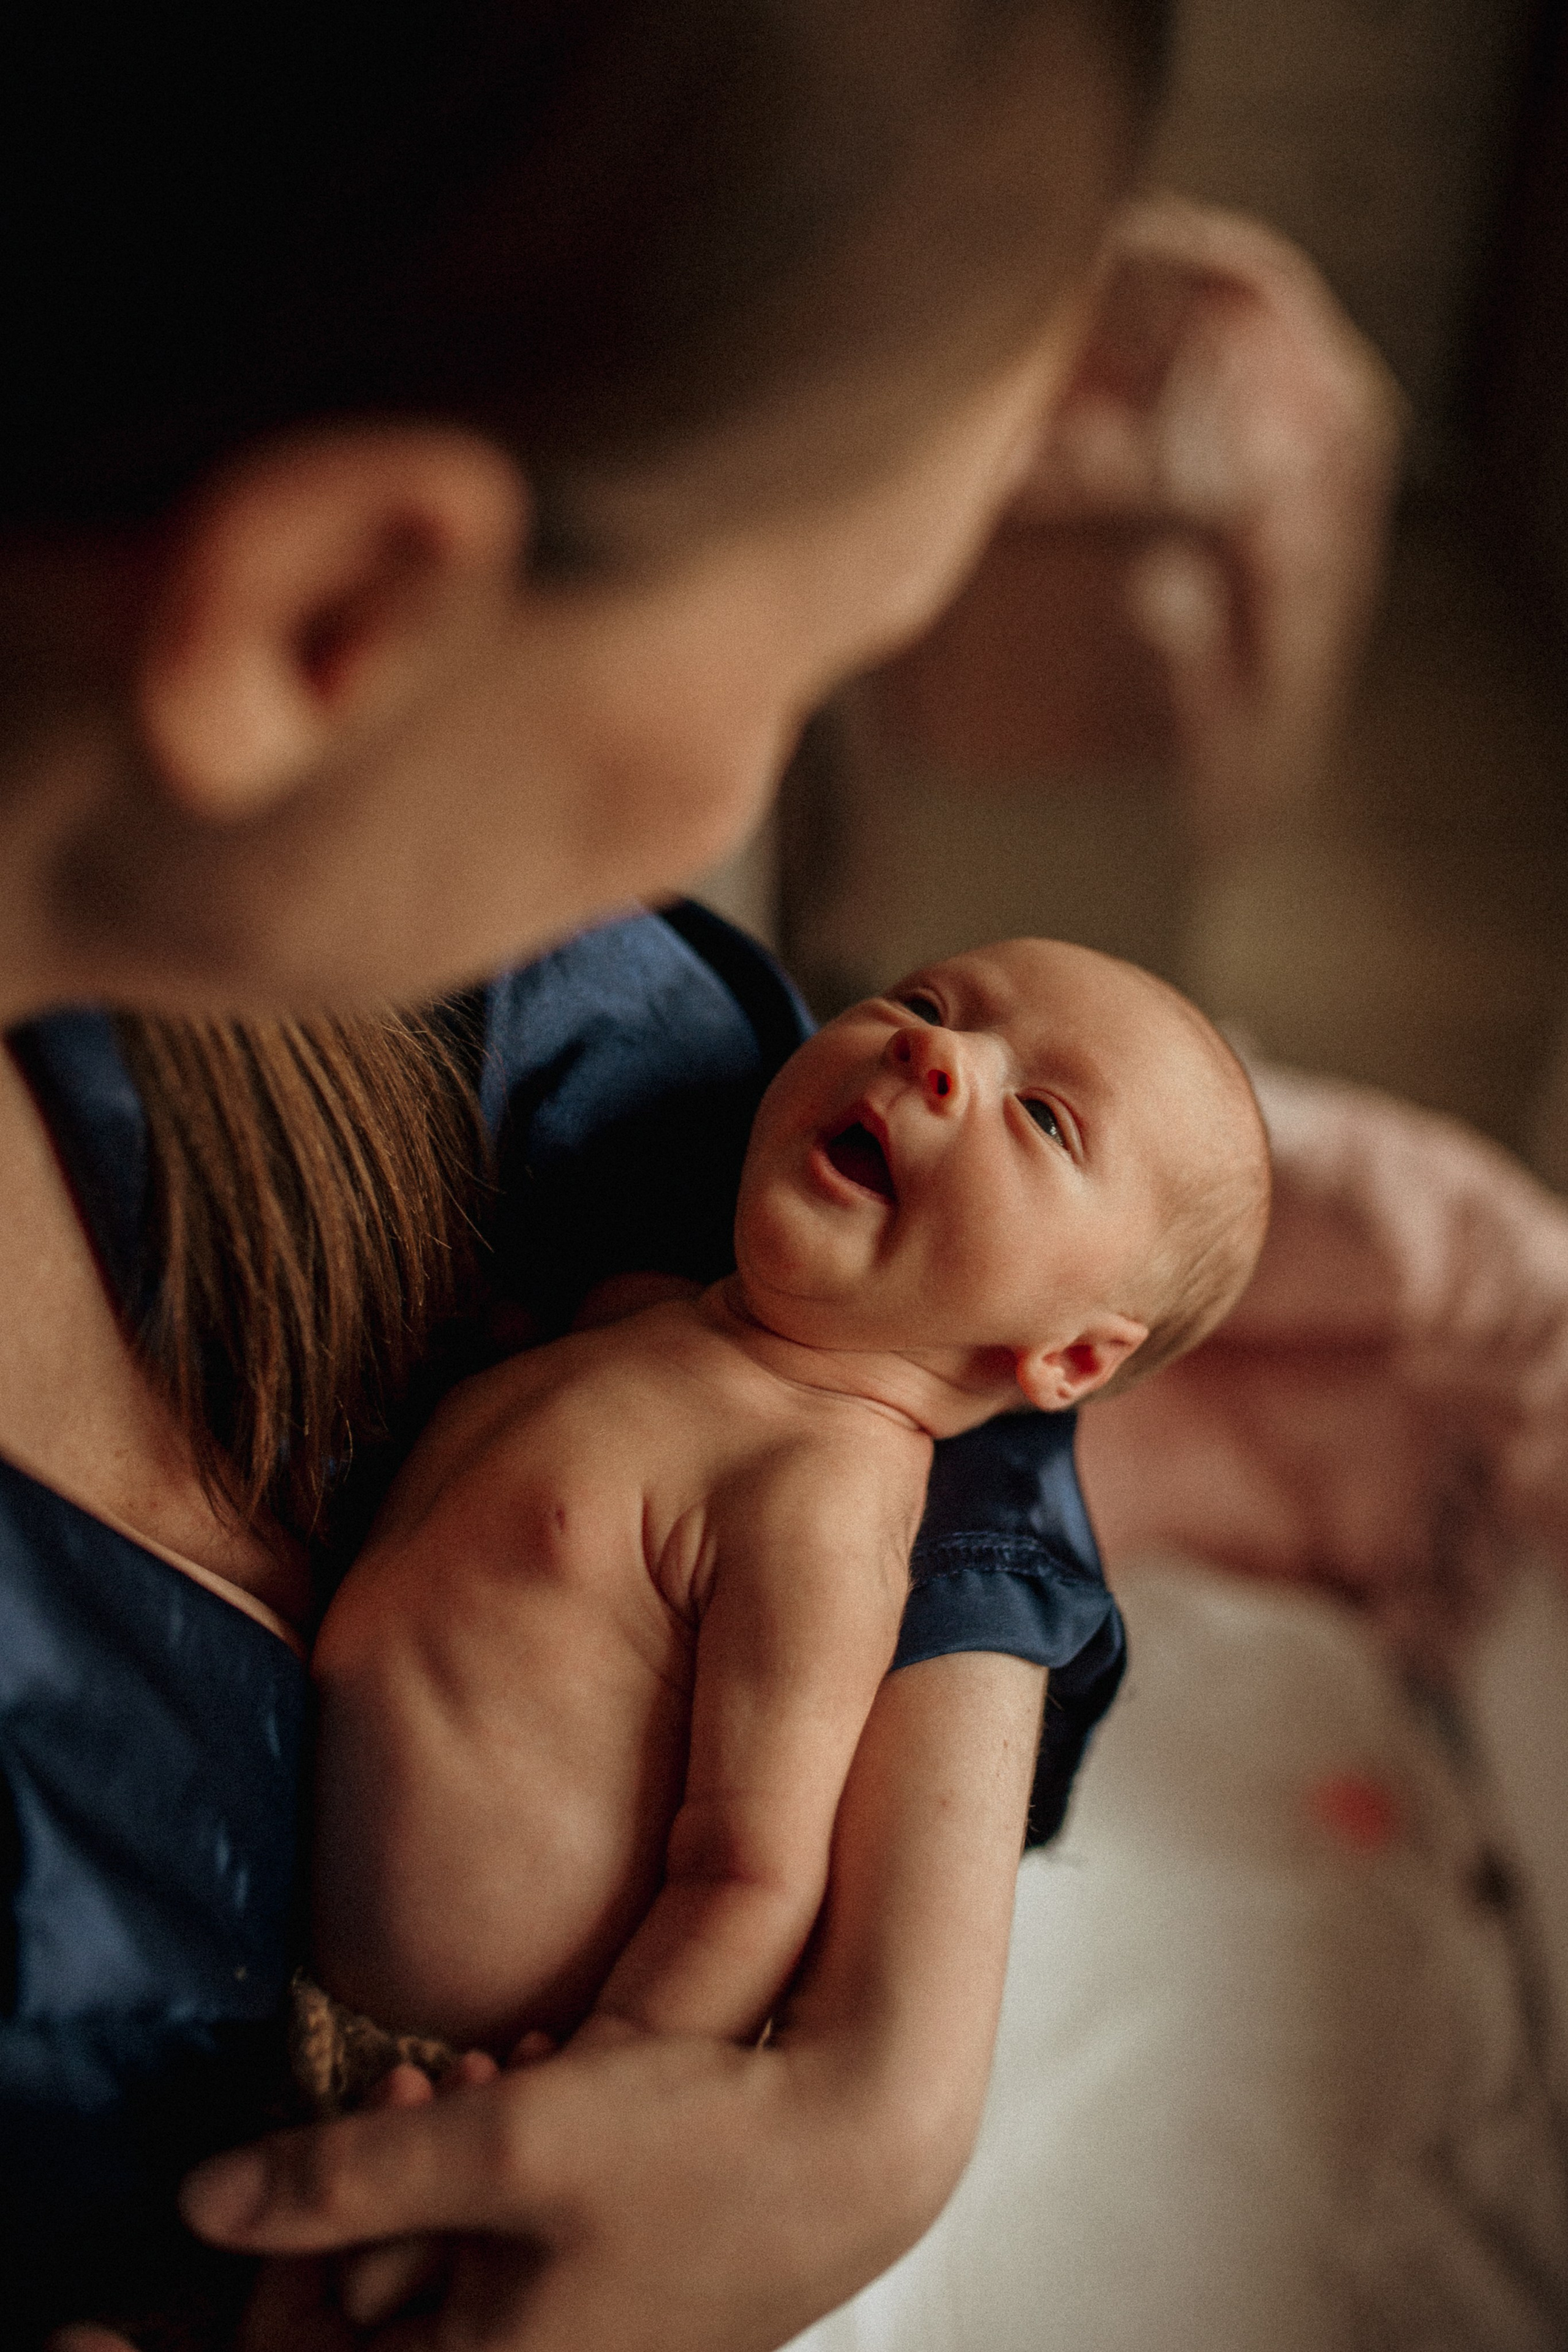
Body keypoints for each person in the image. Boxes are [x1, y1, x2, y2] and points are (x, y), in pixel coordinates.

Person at [1, 6, 1177, 2346]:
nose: (915, 1062)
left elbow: (926, 1351)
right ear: (342, 614)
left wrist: (884, 2093)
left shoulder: (467, 1007)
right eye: (818, 661)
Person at [309, 940, 1268, 2076]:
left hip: (413, 2056)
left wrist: (611, 2086)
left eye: (1048, 1120)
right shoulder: (641, 1312)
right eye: (923, 1001)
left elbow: (750, 1873)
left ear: (1070, 1357)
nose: (936, 1050)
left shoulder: (821, 1502)